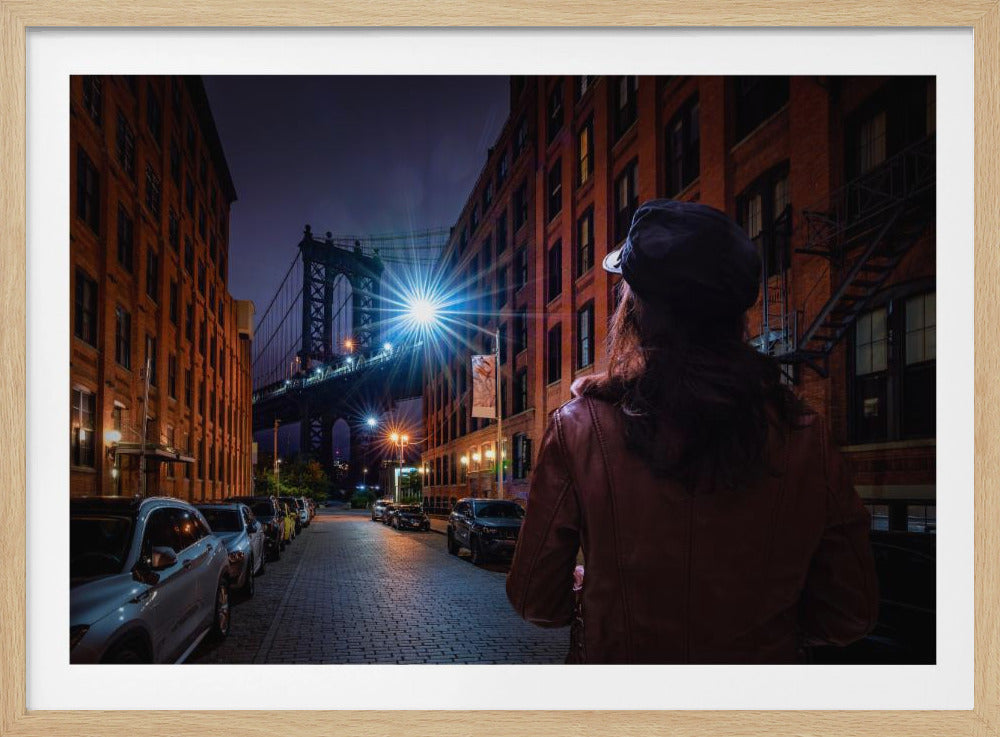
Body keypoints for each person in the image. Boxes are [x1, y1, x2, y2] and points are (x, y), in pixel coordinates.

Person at [505, 199, 878, 664]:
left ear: (636, 306)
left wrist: (595, 595)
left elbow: (534, 600)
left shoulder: (579, 429)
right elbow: (850, 614)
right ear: (737, 312)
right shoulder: (805, 435)